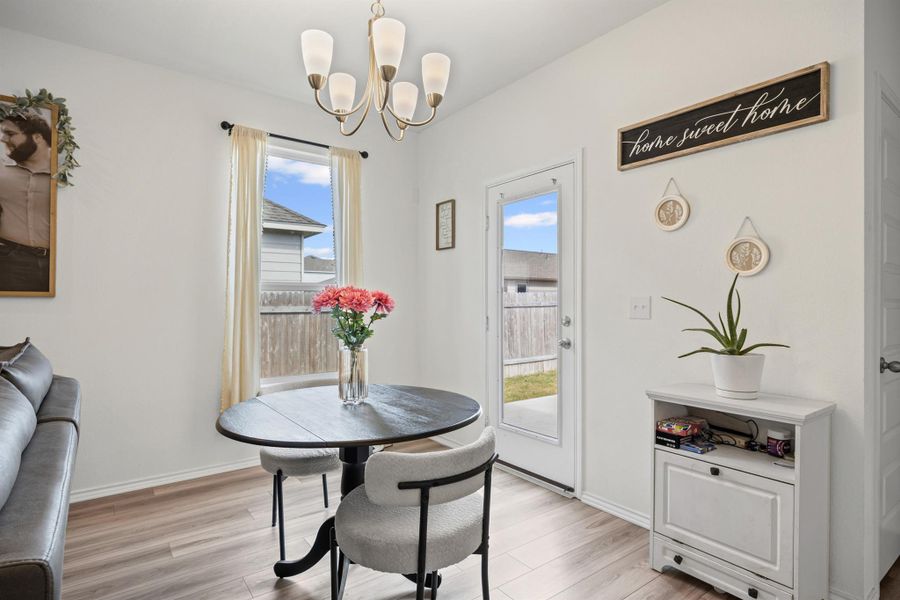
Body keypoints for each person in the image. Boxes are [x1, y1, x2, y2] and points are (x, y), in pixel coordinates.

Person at [0, 109, 53, 292]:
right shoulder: (2, 172)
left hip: (59, 262)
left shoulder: (62, 175)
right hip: (10, 261)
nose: (3, 139)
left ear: (37, 137)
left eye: (10, 133)